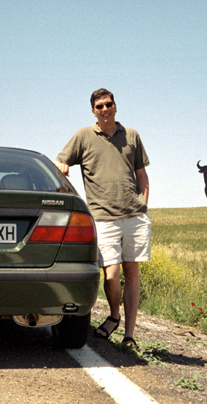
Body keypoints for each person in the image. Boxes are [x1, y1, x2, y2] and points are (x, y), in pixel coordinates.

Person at [54, 88, 151, 347]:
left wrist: (143, 204)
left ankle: (129, 335)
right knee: (110, 275)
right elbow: (60, 161)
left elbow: (141, 174)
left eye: (109, 104)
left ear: (115, 106)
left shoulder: (131, 135)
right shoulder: (83, 136)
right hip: (102, 217)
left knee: (132, 272)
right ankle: (114, 315)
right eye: (99, 106)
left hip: (134, 216)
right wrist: (62, 164)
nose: (105, 109)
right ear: (93, 111)